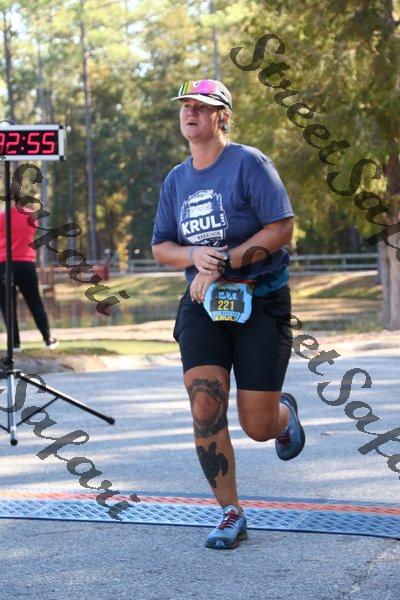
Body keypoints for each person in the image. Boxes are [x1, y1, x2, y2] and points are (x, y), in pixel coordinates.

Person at [151, 79, 305, 550]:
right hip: (202, 304)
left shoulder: (249, 164)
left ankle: (282, 417)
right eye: (185, 106)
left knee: (256, 426)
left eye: (202, 106)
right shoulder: (176, 180)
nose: (190, 112)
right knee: (204, 401)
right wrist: (194, 256)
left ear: (223, 116)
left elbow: (281, 228)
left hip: (262, 302)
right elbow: (161, 247)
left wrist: (223, 262)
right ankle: (230, 512)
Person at [0, 189, 58, 352]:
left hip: (4, 264)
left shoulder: (2, 217)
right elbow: (32, 231)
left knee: (7, 305)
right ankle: (47, 340)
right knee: (34, 302)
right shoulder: (31, 216)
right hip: (26, 264)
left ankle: (15, 344)